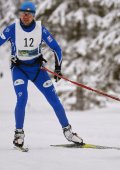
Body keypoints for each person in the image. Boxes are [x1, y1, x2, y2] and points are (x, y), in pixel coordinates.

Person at [0, 1, 84, 147]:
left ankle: (68, 132)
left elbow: (56, 48)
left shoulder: (40, 29)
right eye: (23, 13)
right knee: (22, 99)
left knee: (54, 100)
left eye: (29, 14)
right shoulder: (12, 29)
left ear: (34, 15)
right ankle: (18, 134)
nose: (26, 16)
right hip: (19, 70)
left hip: (38, 70)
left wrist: (58, 68)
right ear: (19, 14)